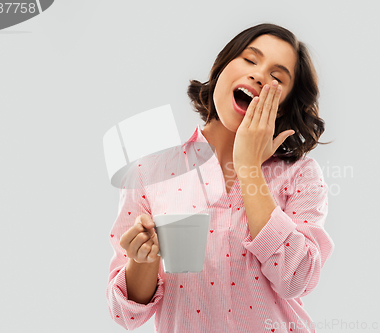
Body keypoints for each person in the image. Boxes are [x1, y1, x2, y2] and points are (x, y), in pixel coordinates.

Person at [106, 22, 334, 333]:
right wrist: (143, 260)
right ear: (221, 68)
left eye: (277, 78)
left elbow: (297, 279)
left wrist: (250, 167)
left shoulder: (300, 175)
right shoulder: (151, 171)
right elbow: (125, 315)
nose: (258, 75)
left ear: (282, 108)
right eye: (250, 60)